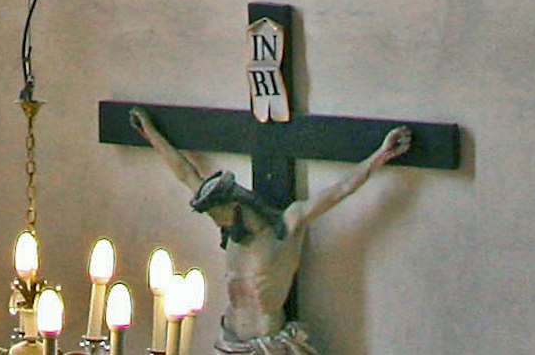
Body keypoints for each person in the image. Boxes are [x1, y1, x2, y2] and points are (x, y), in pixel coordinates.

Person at [131, 109, 413, 355]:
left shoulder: (286, 226)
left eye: (220, 216)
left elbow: (340, 190)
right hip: (231, 341)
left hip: (269, 345)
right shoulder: (232, 230)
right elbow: (186, 174)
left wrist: (382, 154)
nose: (218, 223)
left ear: (235, 206)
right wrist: (151, 132)